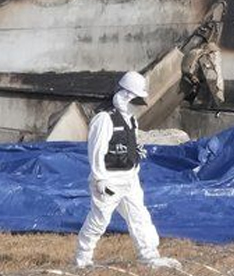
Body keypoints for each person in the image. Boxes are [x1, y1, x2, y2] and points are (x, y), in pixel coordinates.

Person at [73, 71, 178, 270]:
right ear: (123, 94)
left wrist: (135, 155)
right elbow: (96, 151)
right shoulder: (104, 119)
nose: (134, 102)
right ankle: (82, 260)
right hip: (109, 180)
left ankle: (149, 256)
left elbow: (130, 142)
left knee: (139, 215)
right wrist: (99, 179)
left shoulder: (131, 120)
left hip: (129, 177)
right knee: (99, 220)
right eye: (132, 97)